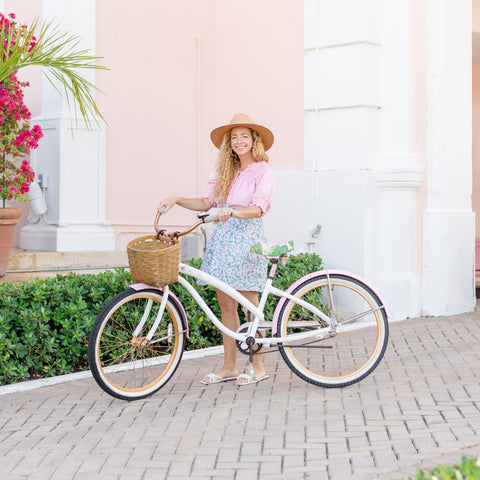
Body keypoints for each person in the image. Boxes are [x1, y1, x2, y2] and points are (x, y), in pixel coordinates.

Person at [159, 113, 276, 386]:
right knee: (226, 304)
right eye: (234, 137)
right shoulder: (225, 172)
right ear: (229, 144)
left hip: (246, 238)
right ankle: (230, 366)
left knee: (250, 305)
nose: (239, 141)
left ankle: (257, 366)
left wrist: (233, 213)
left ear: (254, 140)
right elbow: (206, 203)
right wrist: (176, 199)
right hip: (222, 239)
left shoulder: (263, 171)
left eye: (244, 136)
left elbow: (259, 208)